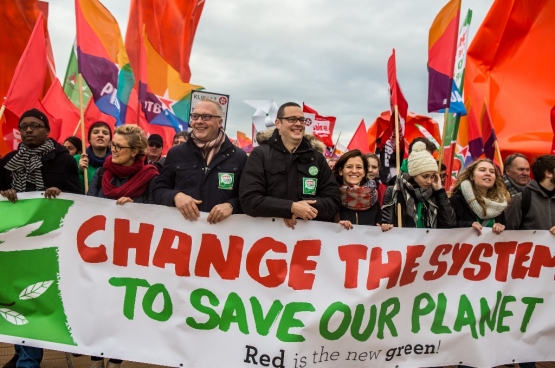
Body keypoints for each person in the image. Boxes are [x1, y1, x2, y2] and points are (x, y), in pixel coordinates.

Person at [0, 109, 81, 368]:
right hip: (15, 242)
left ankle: (27, 361)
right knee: (17, 297)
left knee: (34, 298)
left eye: (35, 125)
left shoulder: (63, 160)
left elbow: (79, 198)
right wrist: (6, 192)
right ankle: (22, 352)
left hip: (48, 241)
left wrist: (61, 193)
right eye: (24, 126)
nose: (28, 130)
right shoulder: (9, 160)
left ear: (47, 130)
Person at [239, 102, 340, 229]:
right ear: (278, 123)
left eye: (301, 120)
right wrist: (290, 208)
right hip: (267, 236)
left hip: (307, 237)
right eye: (291, 119)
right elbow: (249, 200)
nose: (298, 123)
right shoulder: (260, 155)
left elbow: (333, 200)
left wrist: (305, 210)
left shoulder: (317, 158)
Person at [152, 99, 247, 223]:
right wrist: (175, 196)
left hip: (222, 235)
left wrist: (231, 205)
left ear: (220, 122)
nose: (199, 121)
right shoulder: (176, 153)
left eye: (206, 117)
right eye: (195, 116)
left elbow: (247, 197)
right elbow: (158, 190)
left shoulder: (238, 156)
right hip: (183, 233)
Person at [381, 141, 455, 230]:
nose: (429, 181)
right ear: (414, 174)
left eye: (432, 176)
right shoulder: (394, 190)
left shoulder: (435, 192)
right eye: (425, 176)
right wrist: (386, 226)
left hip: (428, 243)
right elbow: (387, 221)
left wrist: (440, 191)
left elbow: (450, 224)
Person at [88, 125, 159, 204]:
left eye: (119, 146)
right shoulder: (100, 173)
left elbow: (154, 213)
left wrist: (133, 208)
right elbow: (89, 206)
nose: (113, 150)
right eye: (112, 144)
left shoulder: (149, 178)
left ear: (134, 152)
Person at [449, 159, 510, 235]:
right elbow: (446, 226)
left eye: (492, 171)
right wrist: (468, 225)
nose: (488, 173)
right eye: (482, 170)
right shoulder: (457, 200)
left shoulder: (498, 204)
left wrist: (501, 228)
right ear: (472, 176)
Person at [332, 149, 381, 229]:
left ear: (364, 172)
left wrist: (384, 227)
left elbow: (379, 222)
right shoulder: (332, 196)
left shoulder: (372, 197)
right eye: (349, 167)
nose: (354, 171)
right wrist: (337, 225)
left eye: (359, 167)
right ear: (341, 171)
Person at [76, 121, 112, 192]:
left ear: (110, 141)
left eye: (105, 133)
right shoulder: (77, 159)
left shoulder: (116, 162)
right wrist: (79, 171)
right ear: (89, 139)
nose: (100, 135)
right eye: (96, 132)